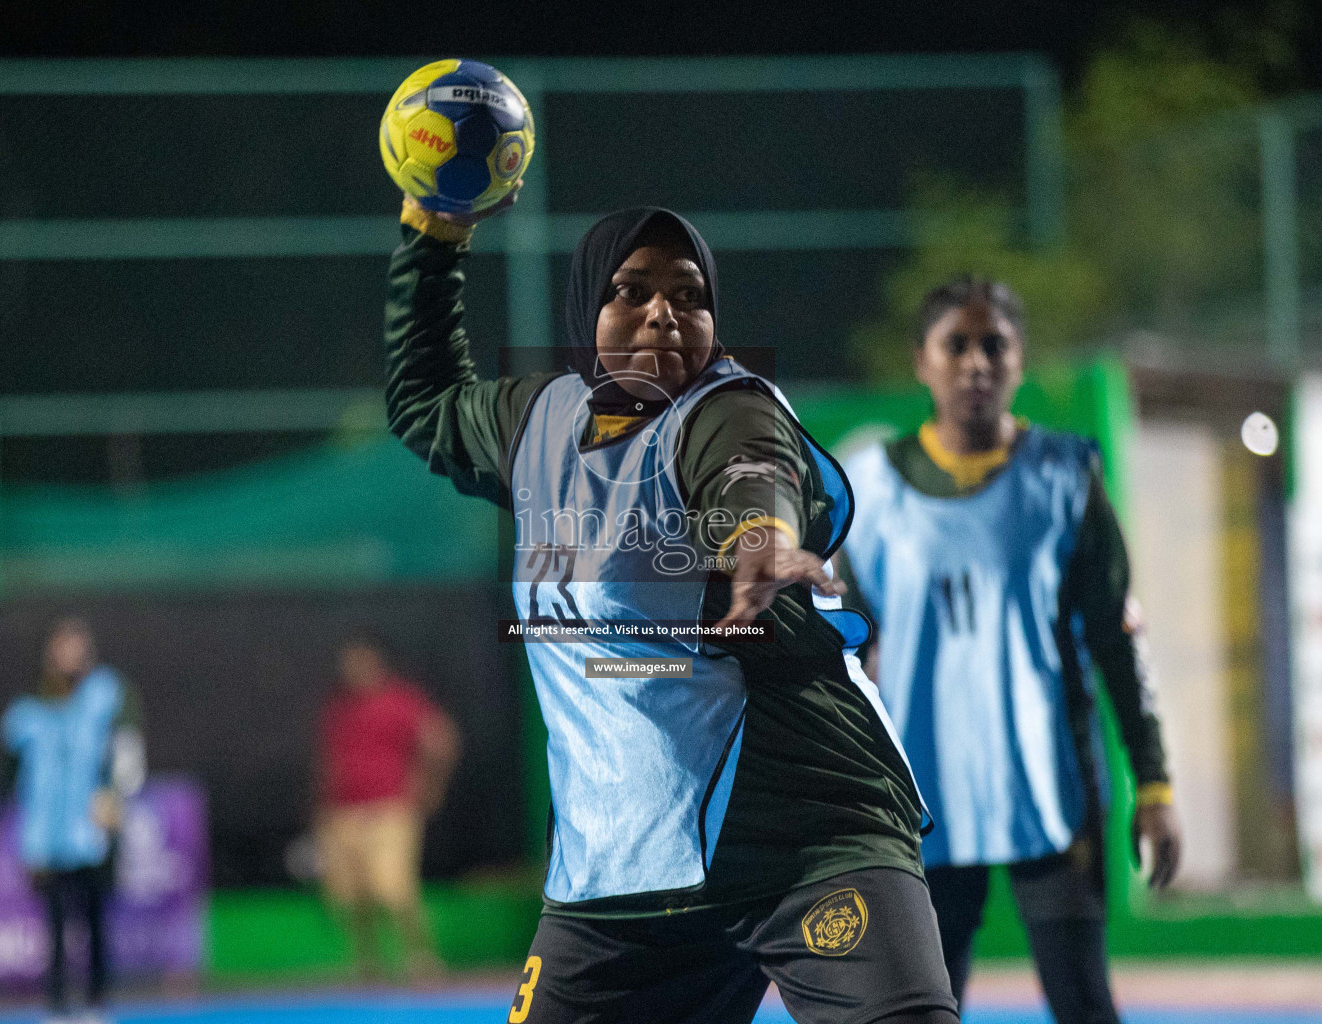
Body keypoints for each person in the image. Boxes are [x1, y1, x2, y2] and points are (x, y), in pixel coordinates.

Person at [383, 182, 958, 1024]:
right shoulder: (534, 423)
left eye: (690, 297)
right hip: (620, 870)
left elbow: (749, 469)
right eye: (633, 291)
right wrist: (434, 234)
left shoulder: (725, 407)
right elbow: (423, 399)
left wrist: (758, 535)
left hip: (800, 832)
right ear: (588, 305)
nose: (663, 313)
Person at [837, 275, 1183, 1024]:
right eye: (954, 345)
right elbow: (841, 671)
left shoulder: (1066, 477)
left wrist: (1153, 786)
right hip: (920, 802)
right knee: (919, 1012)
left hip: (1050, 797)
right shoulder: (865, 495)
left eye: (994, 345)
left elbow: (1120, 647)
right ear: (921, 361)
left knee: (1085, 1005)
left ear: (1019, 361)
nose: (975, 363)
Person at [0, 618, 144, 1024]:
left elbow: (127, 749)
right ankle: (57, 1006)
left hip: (93, 828)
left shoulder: (108, 693)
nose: (70, 656)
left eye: (78, 647)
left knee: (94, 918)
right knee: (55, 923)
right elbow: (9, 770)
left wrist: (115, 793)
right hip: (47, 834)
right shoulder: (29, 707)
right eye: (63, 647)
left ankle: (96, 1003)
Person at [315, 638, 460, 980]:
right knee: (349, 897)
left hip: (390, 810)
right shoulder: (339, 707)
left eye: (359, 661)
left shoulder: (401, 701)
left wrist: (430, 788)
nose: (352, 670)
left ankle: (422, 958)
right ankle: (368, 964)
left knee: (393, 889)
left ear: (376, 664)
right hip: (341, 812)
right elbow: (327, 762)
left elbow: (441, 740)